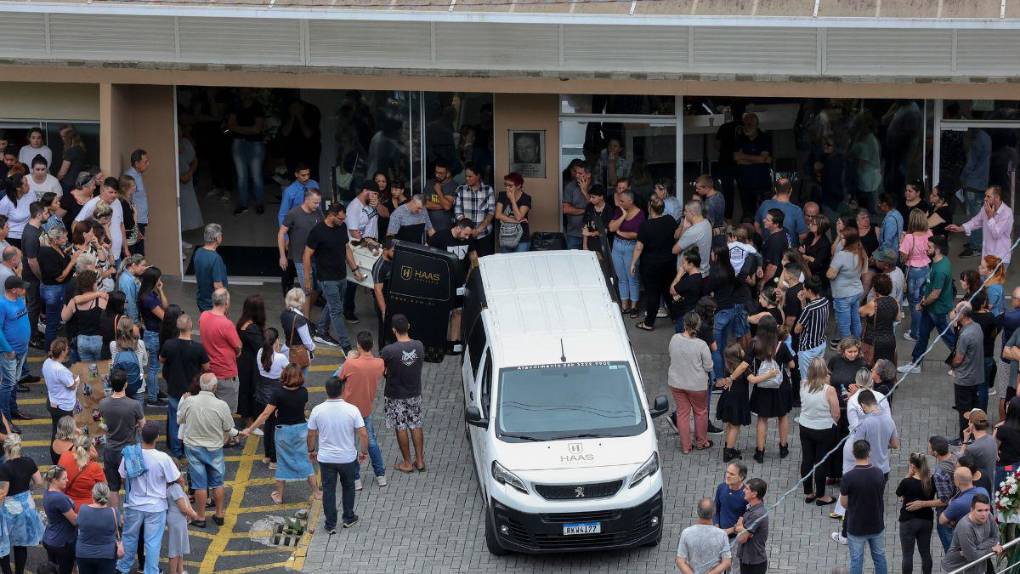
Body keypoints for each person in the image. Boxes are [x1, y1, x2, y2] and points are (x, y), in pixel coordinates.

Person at [240, 365, 321, 504]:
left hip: (284, 432)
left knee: (282, 462)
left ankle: (279, 496)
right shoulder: (304, 392)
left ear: (284, 376)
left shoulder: (277, 393)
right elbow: (301, 407)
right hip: (301, 430)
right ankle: (317, 492)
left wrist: (250, 429)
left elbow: (265, 414)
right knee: (305, 461)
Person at [116, 422, 181, 574]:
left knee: (129, 537)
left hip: (134, 504)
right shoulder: (163, 458)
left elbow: (123, 477)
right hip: (156, 506)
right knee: (153, 542)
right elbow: (176, 478)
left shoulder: (130, 455)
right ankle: (151, 571)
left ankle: (123, 567)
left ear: (141, 436)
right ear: (157, 437)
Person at [307, 376, 368, 533]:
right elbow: (363, 433)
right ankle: (348, 518)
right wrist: (363, 451)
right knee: (348, 487)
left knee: (328, 490)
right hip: (348, 458)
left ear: (326, 391)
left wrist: (312, 450)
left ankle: (330, 524)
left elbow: (311, 434)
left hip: (326, 459)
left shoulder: (317, 410)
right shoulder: (352, 410)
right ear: (342, 390)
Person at [177, 373, 234, 528]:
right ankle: (219, 514)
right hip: (214, 447)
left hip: (194, 447)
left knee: (199, 483)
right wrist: (238, 433)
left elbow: (179, 419)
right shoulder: (221, 405)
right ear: (215, 387)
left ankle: (201, 517)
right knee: (218, 482)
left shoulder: (189, 401)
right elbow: (229, 428)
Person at [304, 202, 361, 352]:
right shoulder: (317, 231)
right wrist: (307, 278)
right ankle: (346, 346)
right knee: (337, 310)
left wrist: (355, 269)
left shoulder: (341, 227)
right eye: (341, 218)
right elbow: (306, 255)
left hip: (342, 275)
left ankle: (321, 331)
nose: (343, 221)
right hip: (327, 278)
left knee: (333, 304)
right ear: (331, 216)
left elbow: (346, 247)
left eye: (344, 218)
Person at [900, 236, 956, 374]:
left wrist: (922, 303)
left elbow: (936, 293)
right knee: (923, 334)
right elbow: (932, 287)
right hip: (932, 308)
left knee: (948, 337)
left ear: (937, 249)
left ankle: (964, 360)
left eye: (929, 247)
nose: (926, 248)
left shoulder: (940, 269)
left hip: (937, 310)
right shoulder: (940, 262)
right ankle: (915, 363)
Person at [338, 330, 387, 490]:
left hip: (347, 410)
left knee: (349, 443)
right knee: (371, 442)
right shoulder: (379, 363)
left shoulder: (351, 363)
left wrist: (351, 359)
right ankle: (381, 476)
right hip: (365, 409)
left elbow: (338, 378)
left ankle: (356, 479)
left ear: (358, 346)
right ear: (371, 345)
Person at [158, 313, 209, 460]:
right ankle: (189, 448)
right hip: (192, 390)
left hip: (174, 389)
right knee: (192, 420)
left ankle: (176, 450)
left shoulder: (169, 344)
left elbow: (161, 359)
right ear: (191, 326)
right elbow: (206, 366)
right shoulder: (198, 348)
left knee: (175, 419)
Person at [380, 314, 426, 473]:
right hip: (415, 392)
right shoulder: (419, 345)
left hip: (395, 394)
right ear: (408, 326)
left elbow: (382, 369)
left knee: (401, 427)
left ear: (393, 330)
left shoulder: (389, 350)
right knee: (416, 424)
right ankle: (420, 461)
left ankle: (407, 462)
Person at [839, 439, 889, 574]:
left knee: (856, 559)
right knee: (879, 557)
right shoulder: (878, 473)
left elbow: (844, 503)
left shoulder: (848, 477)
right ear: (869, 453)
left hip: (856, 525)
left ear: (853, 454)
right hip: (876, 523)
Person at [668, 312, 714, 454]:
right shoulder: (701, 345)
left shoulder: (674, 338)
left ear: (684, 324)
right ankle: (701, 442)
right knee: (700, 412)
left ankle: (686, 447)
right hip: (697, 385)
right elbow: (709, 367)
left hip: (676, 383)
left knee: (682, 413)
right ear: (698, 325)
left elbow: (671, 355)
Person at [98, 369, 144, 510]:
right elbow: (143, 425)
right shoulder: (134, 405)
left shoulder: (103, 403)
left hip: (111, 450)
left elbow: (102, 425)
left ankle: (116, 519)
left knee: (113, 488)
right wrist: (135, 425)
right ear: (125, 384)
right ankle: (131, 518)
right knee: (132, 487)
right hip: (130, 451)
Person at [0, 434, 44, 574]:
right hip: (26, 505)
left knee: (4, 542)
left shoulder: (5, 467)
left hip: (10, 508)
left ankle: (7, 571)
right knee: (21, 544)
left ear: (5, 449)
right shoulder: (29, 461)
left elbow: (4, 491)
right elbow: (39, 481)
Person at [632, 195, 677, 331]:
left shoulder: (645, 225)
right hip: (669, 263)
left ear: (650, 208)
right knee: (669, 292)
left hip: (650, 266)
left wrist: (633, 263)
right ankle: (676, 317)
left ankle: (649, 323)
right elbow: (675, 235)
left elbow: (639, 247)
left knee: (653, 294)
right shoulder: (670, 220)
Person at [799, 357, 839, 505]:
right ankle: (821, 495)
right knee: (821, 461)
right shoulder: (829, 390)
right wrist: (833, 422)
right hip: (824, 429)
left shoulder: (803, 384)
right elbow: (836, 413)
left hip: (805, 426)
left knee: (807, 459)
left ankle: (809, 492)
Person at [278, 188, 324, 314]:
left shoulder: (318, 212)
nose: (318, 205)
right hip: (300, 258)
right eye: (315, 202)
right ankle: (306, 321)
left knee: (319, 287)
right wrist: (282, 256)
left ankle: (304, 312)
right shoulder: (293, 213)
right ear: (307, 200)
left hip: (317, 257)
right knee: (307, 289)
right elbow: (281, 233)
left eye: (319, 202)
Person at [199, 288, 242, 419]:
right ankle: (225, 438)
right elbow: (238, 347)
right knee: (226, 414)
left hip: (209, 372)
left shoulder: (204, 316)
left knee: (211, 412)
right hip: (226, 374)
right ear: (226, 303)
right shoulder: (226, 324)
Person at [948, 185, 1013, 266]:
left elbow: (996, 234)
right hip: (986, 256)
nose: (985, 198)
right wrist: (960, 228)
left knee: (992, 279)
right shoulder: (985, 208)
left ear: (997, 198)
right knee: (983, 279)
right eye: (985, 195)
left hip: (999, 259)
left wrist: (990, 217)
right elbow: (976, 221)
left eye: (988, 196)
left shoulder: (1007, 212)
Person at [942, 493, 1002, 574]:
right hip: (958, 568)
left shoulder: (989, 516)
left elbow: (995, 537)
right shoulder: (965, 527)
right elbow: (971, 556)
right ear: (971, 510)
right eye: (979, 510)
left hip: (978, 564)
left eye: (986, 510)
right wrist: (991, 549)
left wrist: (976, 548)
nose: (984, 514)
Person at [896, 451, 935, 574]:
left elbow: (898, 492)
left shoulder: (907, 482)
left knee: (907, 555)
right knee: (925, 552)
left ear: (913, 466)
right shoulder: (930, 481)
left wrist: (908, 474)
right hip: (926, 520)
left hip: (908, 521)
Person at [0, 276, 31, 428]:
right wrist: (8, 349)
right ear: (13, 290)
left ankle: (13, 410)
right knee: (8, 384)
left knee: (14, 382)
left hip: (22, 350)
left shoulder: (19, 299)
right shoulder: (2, 304)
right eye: (21, 287)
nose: (24, 289)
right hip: (9, 353)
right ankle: (6, 421)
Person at [609, 189, 645, 317]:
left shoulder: (640, 214)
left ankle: (634, 306)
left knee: (633, 277)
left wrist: (621, 233)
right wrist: (623, 215)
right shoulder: (619, 210)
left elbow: (637, 235)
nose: (619, 203)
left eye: (622, 201)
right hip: (617, 246)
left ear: (631, 201)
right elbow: (611, 228)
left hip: (631, 248)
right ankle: (625, 304)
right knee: (621, 277)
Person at [828, 225, 867, 342]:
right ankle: (858, 343)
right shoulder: (861, 253)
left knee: (844, 325)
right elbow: (864, 271)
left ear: (849, 240)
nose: (841, 240)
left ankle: (848, 349)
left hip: (843, 294)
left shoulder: (841, 255)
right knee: (856, 321)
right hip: (856, 291)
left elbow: (830, 274)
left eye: (842, 238)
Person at [952, 306, 986, 438]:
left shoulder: (965, 335)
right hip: (976, 376)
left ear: (963, 315)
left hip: (964, 378)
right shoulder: (977, 327)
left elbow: (958, 358)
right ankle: (975, 434)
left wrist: (953, 365)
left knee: (964, 411)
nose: (954, 313)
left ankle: (964, 438)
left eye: (956, 312)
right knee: (973, 408)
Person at [675, 498, 731, 574]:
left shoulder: (686, 533)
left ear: (697, 512)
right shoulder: (722, 534)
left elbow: (680, 561)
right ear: (713, 513)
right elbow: (727, 562)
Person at [901, 208, 933, 343]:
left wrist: (901, 241)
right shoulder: (929, 234)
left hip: (913, 272)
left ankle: (916, 333)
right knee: (923, 300)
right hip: (927, 269)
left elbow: (903, 258)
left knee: (914, 304)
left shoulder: (909, 237)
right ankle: (923, 329)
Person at [733, 112, 772, 220]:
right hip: (744, 182)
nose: (747, 126)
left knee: (765, 215)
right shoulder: (740, 138)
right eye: (745, 124)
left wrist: (744, 157)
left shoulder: (764, 137)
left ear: (756, 124)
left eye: (750, 124)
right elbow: (737, 158)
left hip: (762, 182)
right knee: (747, 215)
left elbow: (762, 158)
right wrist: (759, 159)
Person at [60, 270, 106, 361]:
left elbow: (64, 317)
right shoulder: (101, 301)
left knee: (89, 371)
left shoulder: (74, 301)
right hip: (99, 339)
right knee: (101, 368)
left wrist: (65, 303)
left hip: (82, 340)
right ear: (93, 284)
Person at [715, 342, 750, 462]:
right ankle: (728, 452)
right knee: (735, 426)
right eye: (741, 349)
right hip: (737, 401)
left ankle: (728, 446)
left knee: (730, 425)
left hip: (728, 399)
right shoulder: (742, 368)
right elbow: (752, 379)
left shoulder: (728, 366)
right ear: (739, 354)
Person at [75, 483, 120, 574]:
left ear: (93, 495)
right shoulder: (114, 512)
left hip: (84, 554)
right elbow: (117, 528)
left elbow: (78, 524)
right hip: (107, 554)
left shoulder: (83, 509)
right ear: (108, 496)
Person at [453, 162, 496, 257]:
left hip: (483, 235)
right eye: (466, 176)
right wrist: (469, 230)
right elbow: (458, 212)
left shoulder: (488, 189)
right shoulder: (460, 189)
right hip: (465, 236)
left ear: (478, 176)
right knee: (466, 264)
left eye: (470, 176)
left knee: (484, 263)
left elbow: (491, 212)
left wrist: (478, 230)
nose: (467, 179)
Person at [42, 465, 78, 574]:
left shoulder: (47, 492)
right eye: (64, 478)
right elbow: (75, 521)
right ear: (54, 480)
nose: (67, 480)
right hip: (62, 543)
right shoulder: (59, 498)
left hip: (51, 539)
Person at [234, 294, 264, 425]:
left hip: (243, 361)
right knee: (251, 390)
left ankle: (247, 417)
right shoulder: (252, 328)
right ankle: (250, 421)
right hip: (250, 364)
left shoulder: (242, 323)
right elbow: (261, 346)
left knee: (245, 389)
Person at [57, 434, 105, 512]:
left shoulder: (64, 456)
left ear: (74, 446)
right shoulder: (94, 467)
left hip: (67, 506)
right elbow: (104, 489)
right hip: (88, 509)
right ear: (89, 449)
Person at [859, 273, 900, 365]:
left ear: (874, 288)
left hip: (873, 342)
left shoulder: (873, 304)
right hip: (889, 339)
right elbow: (898, 318)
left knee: (872, 367)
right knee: (886, 367)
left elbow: (861, 312)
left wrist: (873, 300)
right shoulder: (895, 302)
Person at [755, 178, 806, 246]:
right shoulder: (796, 210)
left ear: (775, 189)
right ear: (791, 190)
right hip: (788, 253)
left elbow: (756, 225)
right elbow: (802, 236)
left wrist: (764, 240)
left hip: (768, 248)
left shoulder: (765, 204)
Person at [43, 338, 77, 441]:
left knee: (56, 430)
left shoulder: (47, 362)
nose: (68, 350)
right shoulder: (61, 370)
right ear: (62, 352)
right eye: (66, 348)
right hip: (64, 407)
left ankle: (55, 453)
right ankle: (62, 454)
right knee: (66, 433)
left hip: (53, 401)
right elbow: (72, 386)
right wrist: (76, 379)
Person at [734, 477, 769, 574]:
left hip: (753, 564)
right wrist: (742, 529)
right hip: (747, 559)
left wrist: (740, 526)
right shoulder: (751, 507)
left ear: (754, 494)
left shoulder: (756, 514)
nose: (744, 490)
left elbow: (742, 538)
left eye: (746, 489)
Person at [165, 475, 199, 574]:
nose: (183, 477)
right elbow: (183, 508)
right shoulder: (175, 488)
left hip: (177, 519)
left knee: (178, 547)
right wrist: (195, 515)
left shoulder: (173, 487)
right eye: (180, 475)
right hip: (177, 520)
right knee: (175, 549)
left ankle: (180, 571)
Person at [193, 223, 227, 313]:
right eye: (221, 235)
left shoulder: (198, 252)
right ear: (217, 238)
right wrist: (225, 305)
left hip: (202, 301)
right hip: (213, 305)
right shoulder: (216, 258)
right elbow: (218, 286)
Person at [493, 173, 531, 252]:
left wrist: (512, 200)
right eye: (505, 185)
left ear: (519, 186)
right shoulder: (502, 195)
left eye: (510, 186)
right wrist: (516, 221)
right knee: (507, 263)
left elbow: (519, 217)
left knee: (520, 263)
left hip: (522, 239)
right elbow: (497, 215)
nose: (507, 188)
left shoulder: (526, 198)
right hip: (505, 237)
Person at [962, 409, 996, 494]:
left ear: (972, 425)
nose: (967, 424)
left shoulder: (972, 448)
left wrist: (965, 441)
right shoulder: (991, 439)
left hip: (977, 488)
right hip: (989, 483)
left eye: (969, 422)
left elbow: (961, 464)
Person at [674, 200, 712, 277]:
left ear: (693, 213)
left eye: (686, 211)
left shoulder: (692, 231)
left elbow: (675, 250)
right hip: (704, 272)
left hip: (691, 275)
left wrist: (684, 226)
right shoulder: (707, 223)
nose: (684, 213)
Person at [713, 462, 748, 538]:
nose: (727, 476)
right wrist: (716, 526)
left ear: (741, 477)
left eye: (732, 474)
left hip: (736, 537)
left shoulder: (747, 495)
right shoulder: (721, 487)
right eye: (727, 472)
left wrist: (729, 531)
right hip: (719, 533)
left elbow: (748, 520)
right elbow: (716, 509)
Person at [562, 161, 592, 249]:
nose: (576, 175)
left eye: (580, 173)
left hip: (592, 233)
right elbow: (566, 209)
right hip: (573, 233)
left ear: (588, 174)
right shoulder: (570, 186)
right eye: (576, 172)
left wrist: (585, 191)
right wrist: (586, 211)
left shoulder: (596, 186)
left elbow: (597, 209)